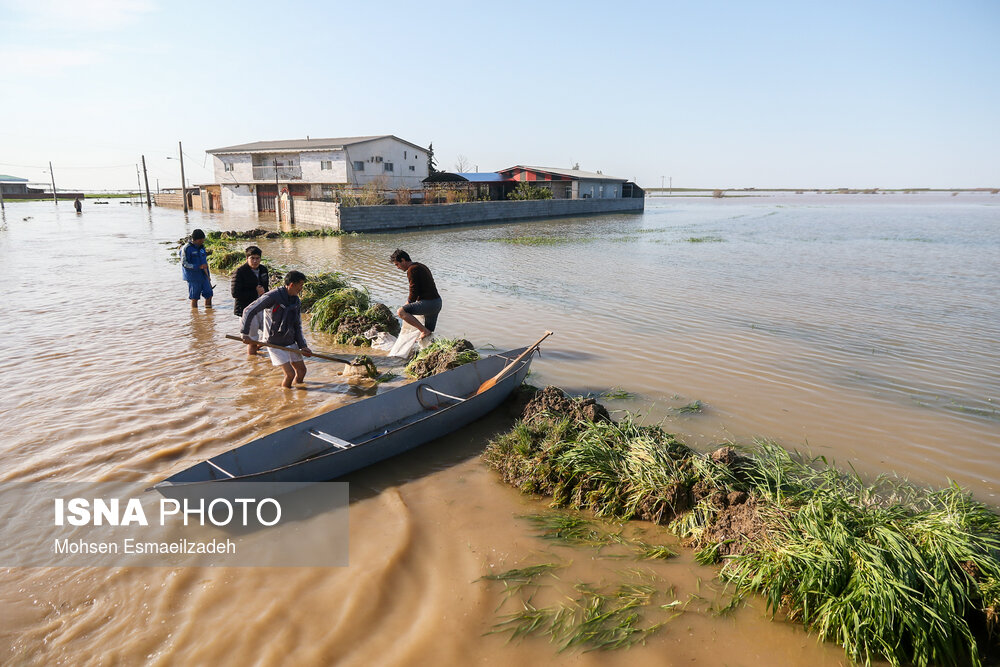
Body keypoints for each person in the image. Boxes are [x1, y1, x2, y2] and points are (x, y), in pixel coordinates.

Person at [240, 270, 313, 388]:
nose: (301, 288)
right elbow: (249, 310)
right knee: (290, 374)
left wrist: (302, 345)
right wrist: (245, 333)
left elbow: (297, 325)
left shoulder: (296, 301)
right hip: (274, 343)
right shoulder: (272, 297)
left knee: (302, 371)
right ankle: (286, 398)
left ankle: (300, 393)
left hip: (289, 340)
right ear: (292, 284)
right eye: (300, 285)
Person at [390, 249, 441, 339]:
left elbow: (413, 291)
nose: (397, 267)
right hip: (437, 303)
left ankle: (424, 331)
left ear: (403, 260)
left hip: (429, 304)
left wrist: (407, 305)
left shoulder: (412, 269)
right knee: (428, 335)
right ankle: (427, 346)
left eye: (397, 264)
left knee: (401, 312)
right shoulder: (421, 266)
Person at [230, 246, 269, 356]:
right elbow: (235, 294)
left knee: (271, 333)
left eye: (258, 258)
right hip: (246, 310)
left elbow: (266, 289)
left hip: (262, 307)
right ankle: (253, 365)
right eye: (252, 258)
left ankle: (258, 350)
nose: (255, 261)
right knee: (251, 341)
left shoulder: (263, 270)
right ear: (247, 258)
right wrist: (255, 292)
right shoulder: (240, 272)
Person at [180, 229, 213, 309]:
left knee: (209, 294)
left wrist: (208, 276)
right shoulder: (186, 248)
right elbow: (184, 263)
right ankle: (195, 316)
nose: (203, 241)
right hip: (193, 277)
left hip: (204, 275)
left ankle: (208, 314)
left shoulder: (202, 248)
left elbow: (204, 262)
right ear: (195, 239)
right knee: (195, 297)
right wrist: (197, 266)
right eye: (201, 239)